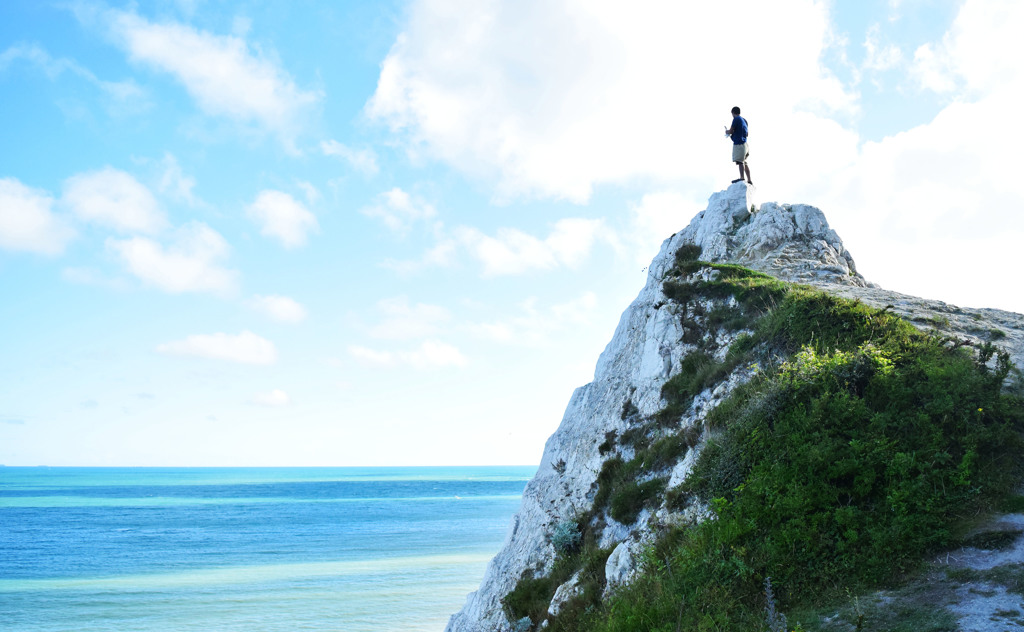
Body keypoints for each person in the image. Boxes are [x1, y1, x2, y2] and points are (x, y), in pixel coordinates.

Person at [724, 106, 752, 185]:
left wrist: (727, 132)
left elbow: (731, 130)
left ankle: (742, 177)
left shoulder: (736, 119)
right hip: (745, 145)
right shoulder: (744, 120)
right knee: (745, 162)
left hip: (739, 144)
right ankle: (749, 180)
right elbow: (747, 134)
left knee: (740, 162)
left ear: (733, 112)